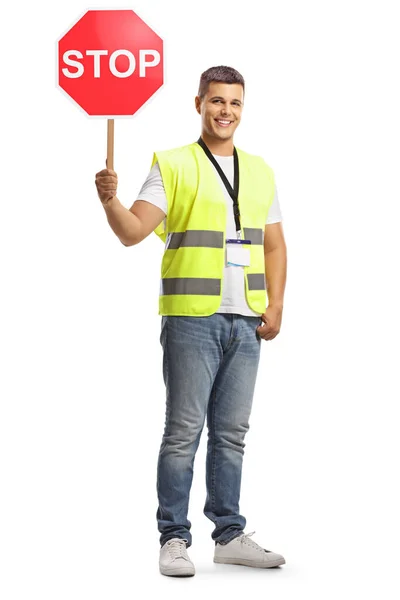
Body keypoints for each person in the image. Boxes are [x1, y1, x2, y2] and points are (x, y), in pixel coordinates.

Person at [95, 65, 287, 577]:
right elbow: (132, 231)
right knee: (183, 431)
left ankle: (228, 535)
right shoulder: (173, 164)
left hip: (245, 319)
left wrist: (276, 305)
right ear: (198, 103)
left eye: (235, 103)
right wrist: (111, 200)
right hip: (190, 320)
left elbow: (273, 243)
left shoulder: (261, 170)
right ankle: (173, 538)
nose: (226, 111)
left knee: (232, 433)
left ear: (242, 109)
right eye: (217, 101)